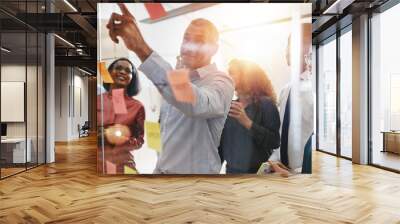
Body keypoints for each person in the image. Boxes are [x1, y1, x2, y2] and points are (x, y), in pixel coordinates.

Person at [106, 3, 234, 174]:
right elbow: (166, 133)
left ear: (214, 49)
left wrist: (141, 48)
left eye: (199, 40)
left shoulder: (221, 81)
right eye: (187, 38)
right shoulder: (178, 78)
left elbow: (196, 104)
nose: (190, 46)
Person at [218, 59, 281, 174]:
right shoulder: (230, 106)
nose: (228, 76)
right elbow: (222, 146)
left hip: (258, 175)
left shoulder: (266, 105)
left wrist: (248, 123)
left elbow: (274, 141)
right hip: (231, 174)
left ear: (246, 76)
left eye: (232, 72)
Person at [268, 23, 314, 174]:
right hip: (282, 169)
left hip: (303, 172)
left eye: (290, 46)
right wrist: (275, 160)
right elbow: (281, 130)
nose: (286, 51)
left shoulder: (312, 90)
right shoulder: (286, 90)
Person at [97, 58, 145, 174]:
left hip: (124, 167)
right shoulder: (97, 101)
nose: (123, 72)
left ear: (132, 77)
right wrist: (104, 134)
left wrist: (123, 139)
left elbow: (140, 141)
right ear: (109, 72)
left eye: (128, 71)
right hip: (98, 165)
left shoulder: (137, 106)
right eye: (118, 68)